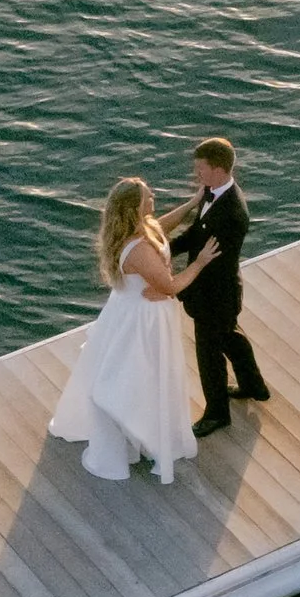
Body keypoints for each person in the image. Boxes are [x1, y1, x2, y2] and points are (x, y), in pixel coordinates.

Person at [50, 176, 200, 484]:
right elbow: (169, 286)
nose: (153, 196)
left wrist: (192, 203)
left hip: (128, 312)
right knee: (137, 378)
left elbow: (162, 228)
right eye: (148, 196)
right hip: (142, 321)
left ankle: (141, 435)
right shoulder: (138, 251)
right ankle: (139, 432)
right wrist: (202, 264)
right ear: (135, 208)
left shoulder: (139, 230)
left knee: (138, 375)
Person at [166, 137, 269, 438]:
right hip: (219, 295)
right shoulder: (213, 194)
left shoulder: (231, 214)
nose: (195, 174)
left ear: (219, 170)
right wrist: (163, 249)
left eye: (200, 169)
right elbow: (195, 235)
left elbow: (209, 262)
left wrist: (176, 283)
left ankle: (217, 413)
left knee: (209, 355)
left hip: (214, 296)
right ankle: (253, 385)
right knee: (230, 337)